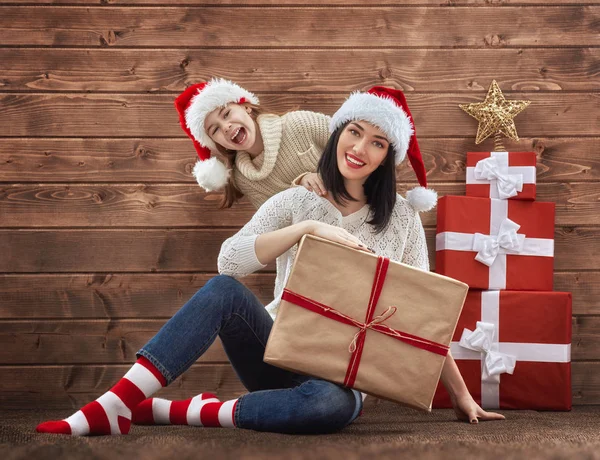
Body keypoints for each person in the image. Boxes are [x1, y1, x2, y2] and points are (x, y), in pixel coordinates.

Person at [36, 87, 504, 437]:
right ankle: (114, 405)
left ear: (387, 158)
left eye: (377, 143)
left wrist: (463, 398)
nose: (360, 149)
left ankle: (183, 411)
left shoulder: (401, 220)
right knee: (222, 290)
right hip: (277, 347)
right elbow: (229, 261)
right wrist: (306, 230)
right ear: (337, 134)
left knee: (331, 407)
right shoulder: (296, 199)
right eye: (354, 133)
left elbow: (426, 314)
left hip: (342, 376)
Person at [176, 78, 330, 209]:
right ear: (216, 143)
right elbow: (280, 221)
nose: (225, 127)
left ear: (247, 107)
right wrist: (300, 184)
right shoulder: (244, 179)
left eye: (227, 114)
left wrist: (321, 177)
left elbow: (350, 147)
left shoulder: (299, 123)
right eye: (215, 130)